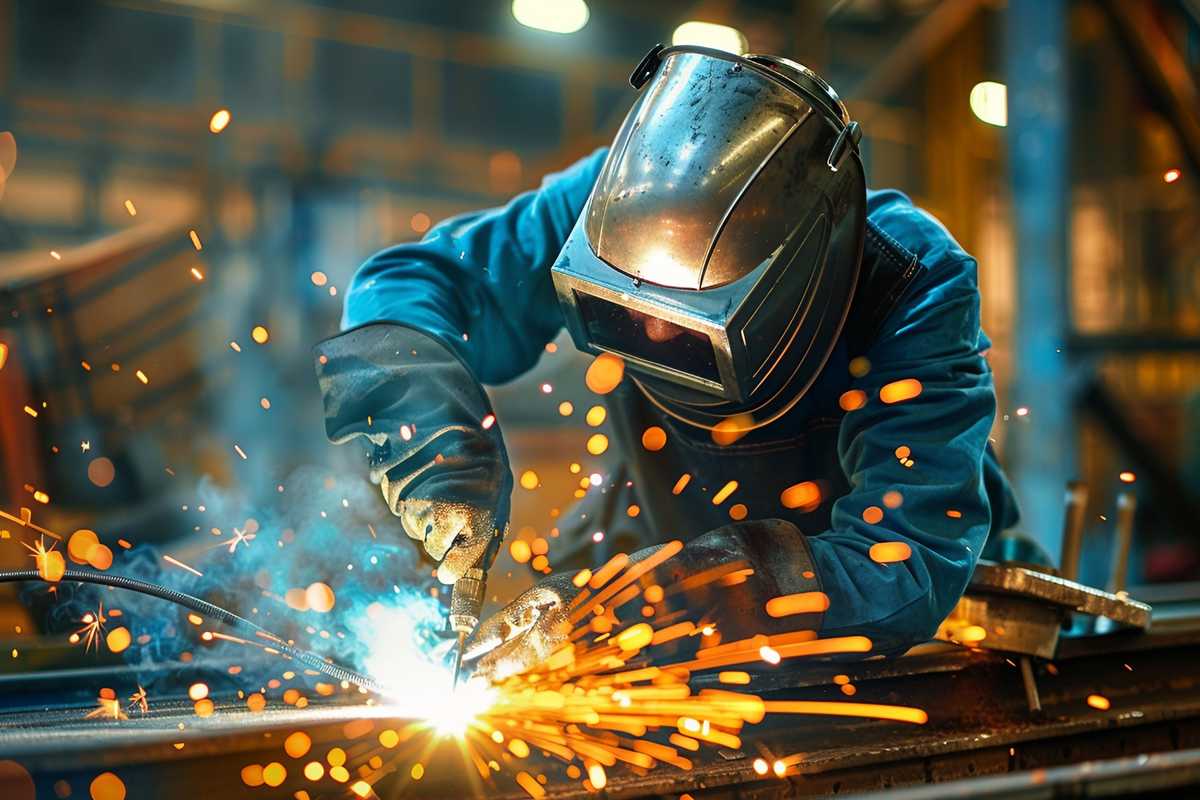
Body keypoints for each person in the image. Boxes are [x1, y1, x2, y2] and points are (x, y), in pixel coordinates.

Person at [315, 45, 1019, 681]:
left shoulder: (908, 280)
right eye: (621, 313)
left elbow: (902, 565)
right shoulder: (609, 207)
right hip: (651, 539)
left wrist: (663, 600)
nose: (648, 333)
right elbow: (410, 285)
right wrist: (436, 439)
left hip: (868, 617)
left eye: (682, 334)